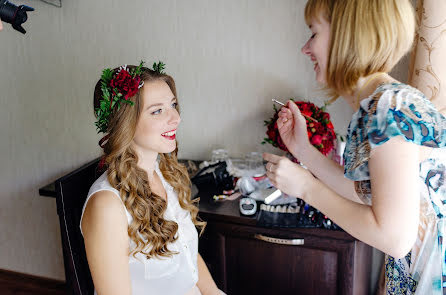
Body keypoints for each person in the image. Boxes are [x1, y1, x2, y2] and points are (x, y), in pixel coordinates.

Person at [263, 0, 446, 294]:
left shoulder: (389, 106)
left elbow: (395, 239)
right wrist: (305, 150)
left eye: (314, 33)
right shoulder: (381, 102)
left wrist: (307, 187)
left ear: (348, 35)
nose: (305, 49)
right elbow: (364, 194)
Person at [80, 61, 224, 295]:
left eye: (173, 104)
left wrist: (214, 292)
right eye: (157, 110)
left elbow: (187, 252)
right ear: (124, 123)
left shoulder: (166, 173)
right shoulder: (107, 206)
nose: (175, 118)